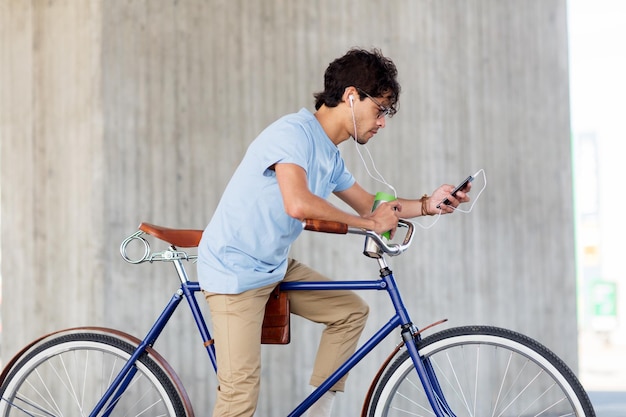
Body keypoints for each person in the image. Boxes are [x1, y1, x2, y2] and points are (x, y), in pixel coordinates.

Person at [197, 47, 470, 417]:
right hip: (235, 270)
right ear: (351, 96)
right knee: (240, 393)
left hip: (273, 266)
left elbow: (370, 205)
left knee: (349, 312)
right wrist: (371, 225)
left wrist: (427, 204)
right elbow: (298, 203)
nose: (383, 122)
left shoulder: (330, 154)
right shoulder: (292, 133)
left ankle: (317, 412)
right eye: (381, 110)